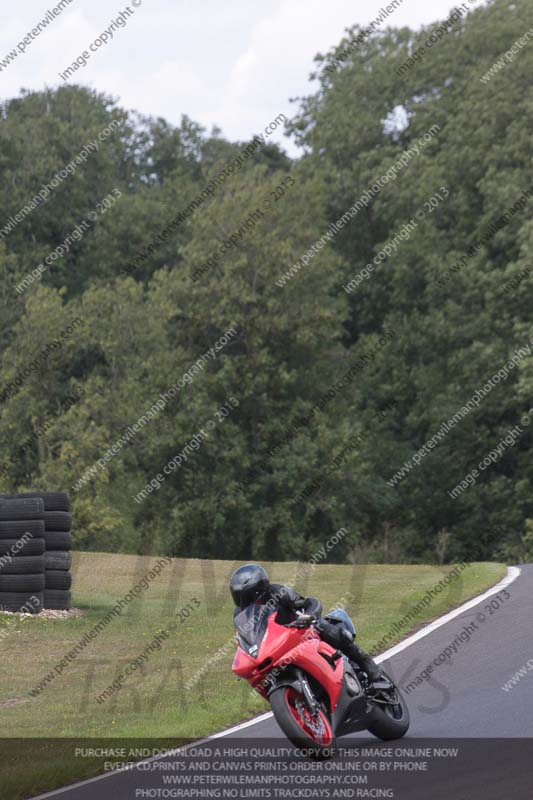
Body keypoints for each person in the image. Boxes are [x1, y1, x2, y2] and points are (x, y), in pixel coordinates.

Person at [229, 563, 384, 684]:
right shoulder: (240, 614)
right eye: (239, 597)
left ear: (259, 588)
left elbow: (308, 602)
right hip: (275, 646)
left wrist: (309, 615)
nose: (244, 601)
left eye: (247, 596)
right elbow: (245, 638)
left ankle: (365, 661)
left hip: (300, 631)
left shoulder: (277, 592)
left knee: (322, 627)